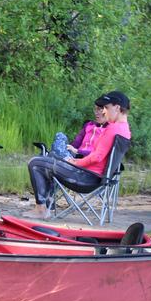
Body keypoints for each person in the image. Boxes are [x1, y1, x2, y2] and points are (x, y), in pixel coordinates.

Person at [28, 90, 132, 218]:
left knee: (35, 163)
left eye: (106, 107)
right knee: (47, 159)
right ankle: (46, 206)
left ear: (117, 108)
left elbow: (97, 157)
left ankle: (41, 209)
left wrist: (76, 162)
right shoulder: (125, 129)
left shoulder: (113, 129)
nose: (103, 111)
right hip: (94, 177)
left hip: (85, 177)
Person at [50, 96, 110, 160]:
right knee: (60, 135)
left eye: (99, 109)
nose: (96, 113)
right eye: (95, 109)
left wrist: (77, 151)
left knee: (56, 154)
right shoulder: (89, 125)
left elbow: (98, 154)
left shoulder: (109, 130)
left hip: (86, 159)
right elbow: (76, 143)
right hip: (75, 154)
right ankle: (55, 156)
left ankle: (52, 156)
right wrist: (68, 148)